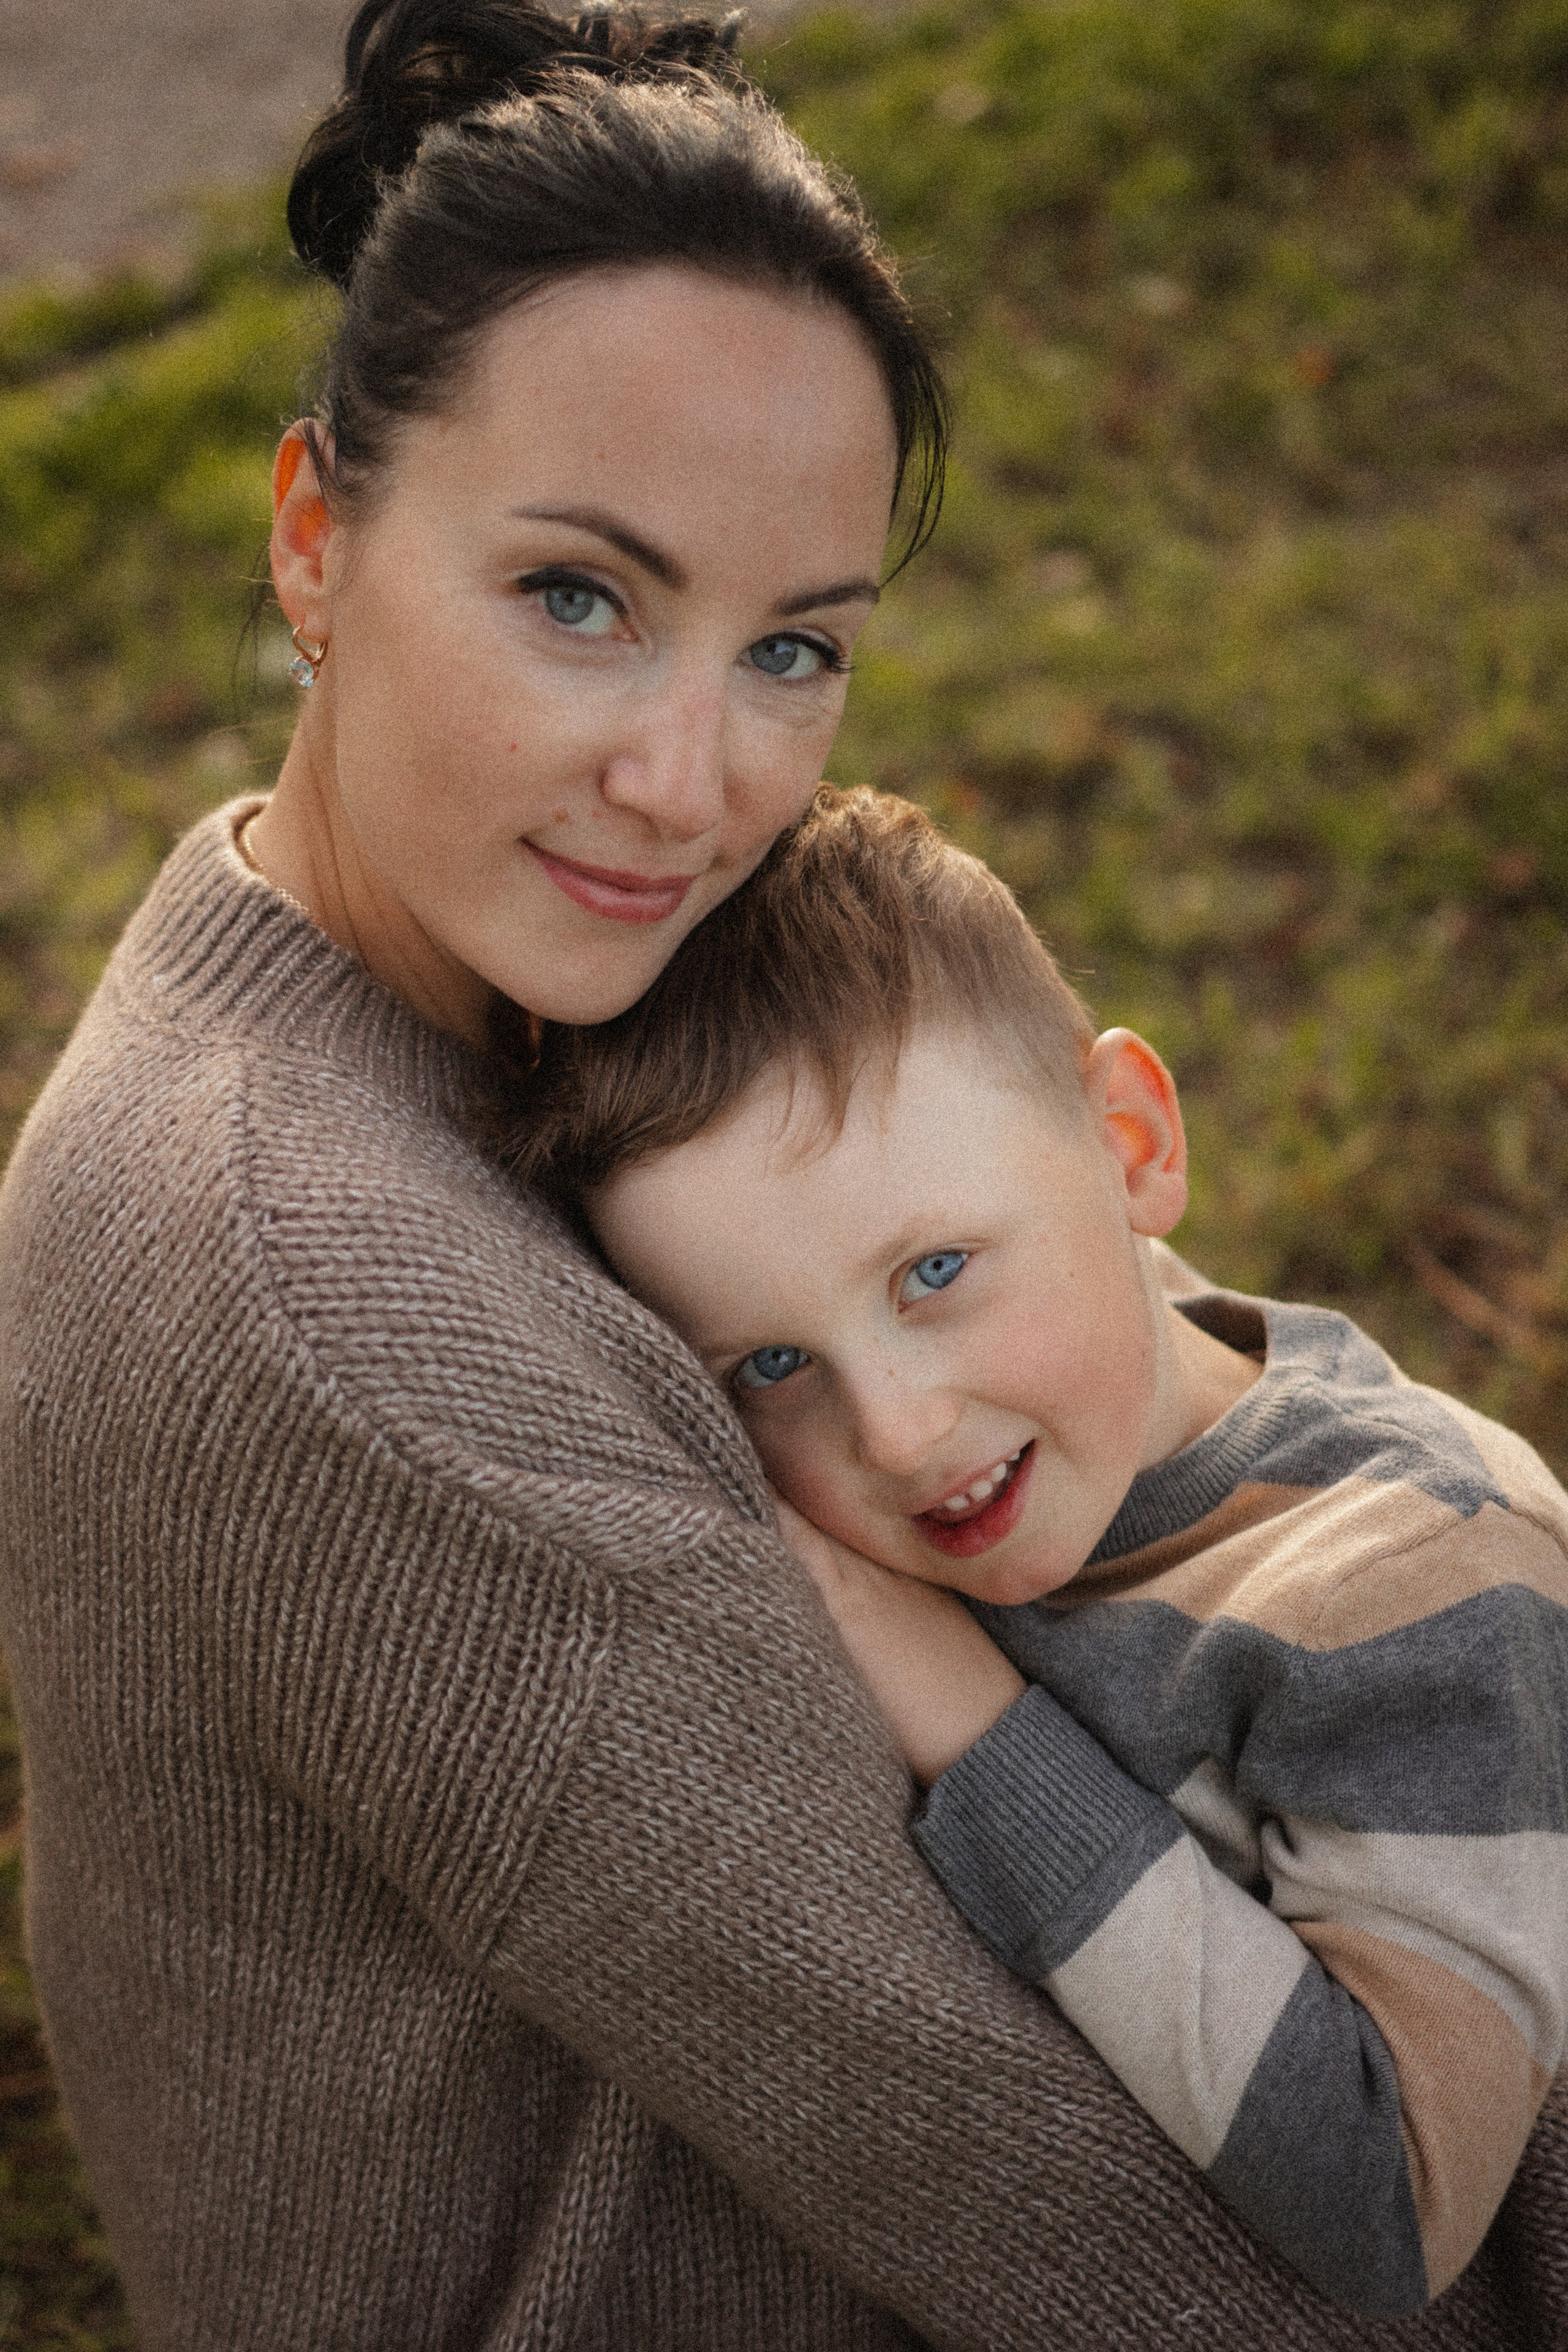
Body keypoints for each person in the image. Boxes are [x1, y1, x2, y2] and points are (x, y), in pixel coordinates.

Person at [0, 0, 1559, 2344]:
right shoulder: (334, 1310)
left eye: (794, 646)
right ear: (317, 538)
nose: (689, 786)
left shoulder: (400, 971)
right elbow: (1158, 2277)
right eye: (578, 599)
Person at [522, 785, 1568, 2324]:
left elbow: (1394, 2199)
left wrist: (979, 1729)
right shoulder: (1066, 1367)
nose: (890, 1430)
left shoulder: (1416, 1599)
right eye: (766, 1367)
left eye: (932, 1272)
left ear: (1130, 1146)